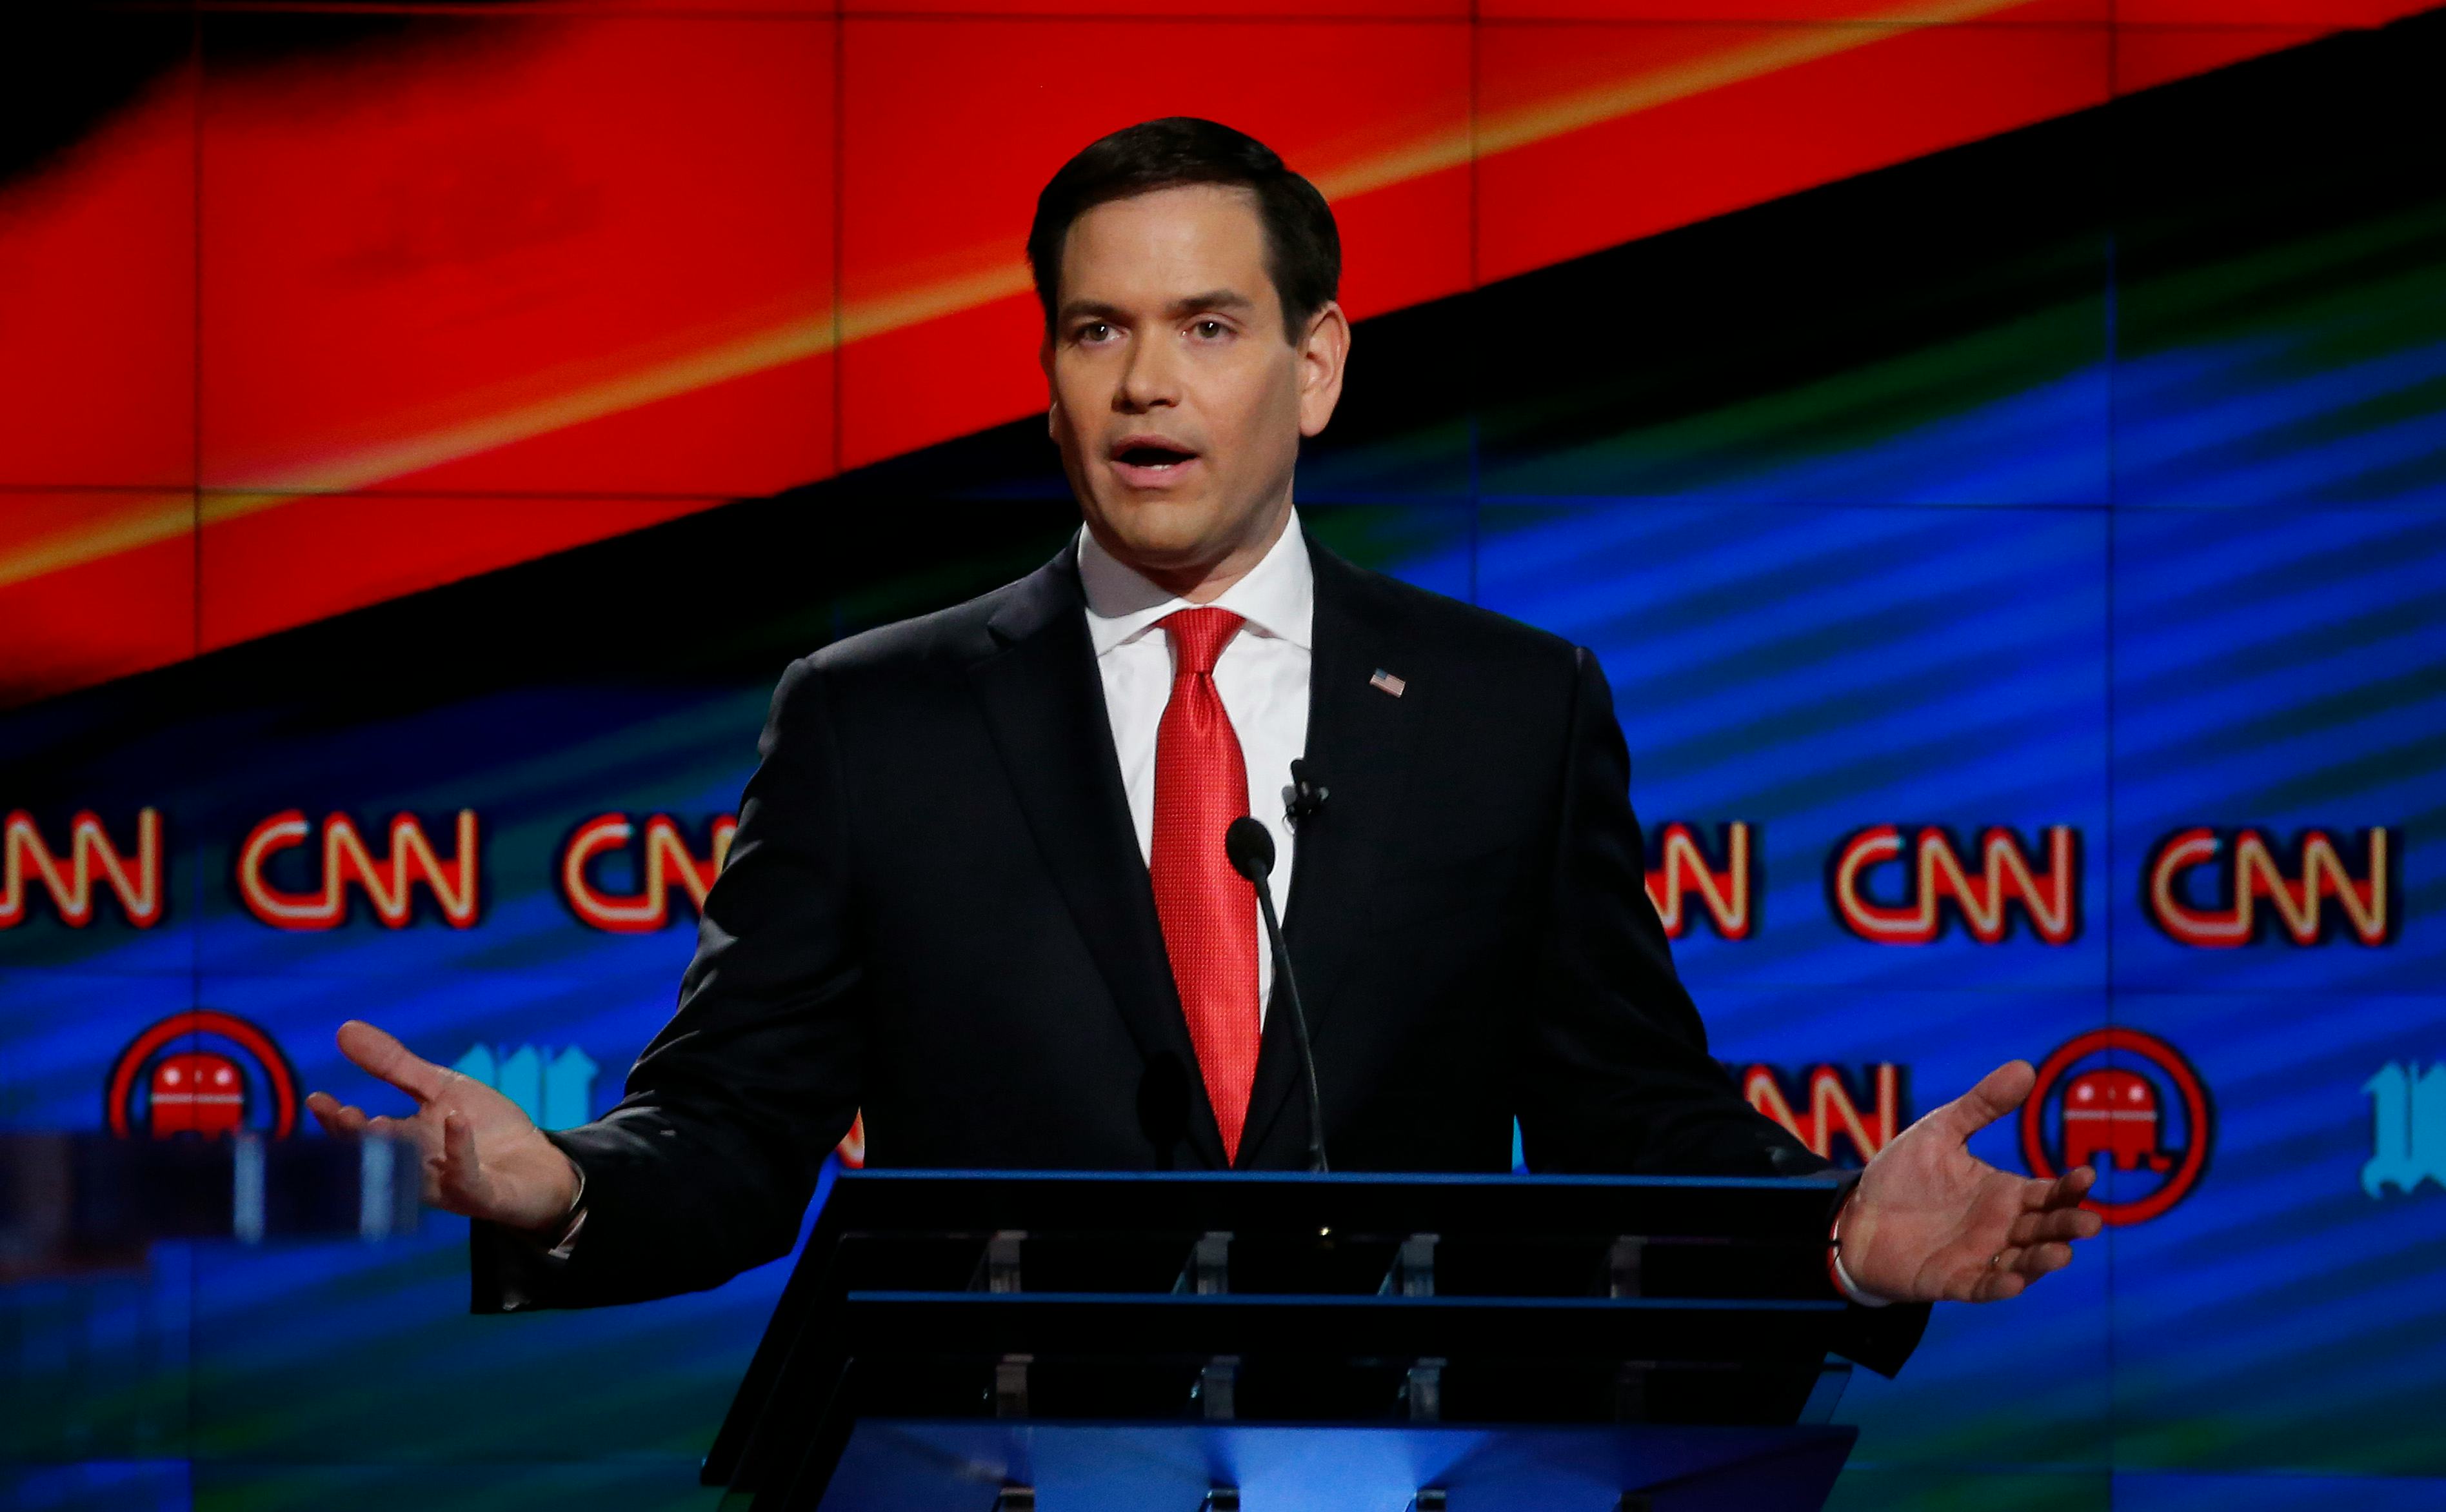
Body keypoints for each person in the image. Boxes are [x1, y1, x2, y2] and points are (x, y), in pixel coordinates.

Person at [307, 117, 2100, 1374]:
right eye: (1098, 329)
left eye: (1207, 328)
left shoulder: (1510, 708)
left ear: (1316, 368)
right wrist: (562, 1186)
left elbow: (1624, 1113)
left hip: (1393, 1463)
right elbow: (734, 1127)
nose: (1144, 383)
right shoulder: (872, 718)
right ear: (1049, 372)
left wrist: (1841, 1240)